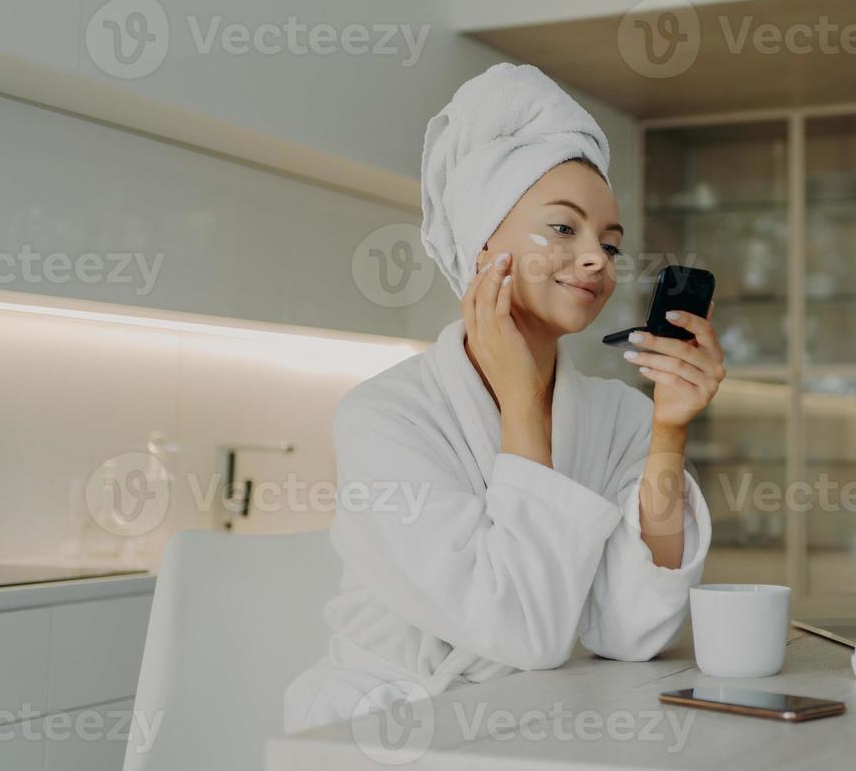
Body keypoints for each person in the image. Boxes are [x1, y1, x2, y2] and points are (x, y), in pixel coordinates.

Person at [284, 64, 722, 732]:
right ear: (483, 240)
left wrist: (669, 432)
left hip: (530, 725)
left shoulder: (617, 416)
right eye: (564, 229)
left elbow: (631, 632)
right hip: (376, 736)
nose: (599, 260)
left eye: (610, 243)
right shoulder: (385, 417)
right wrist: (521, 407)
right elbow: (522, 632)